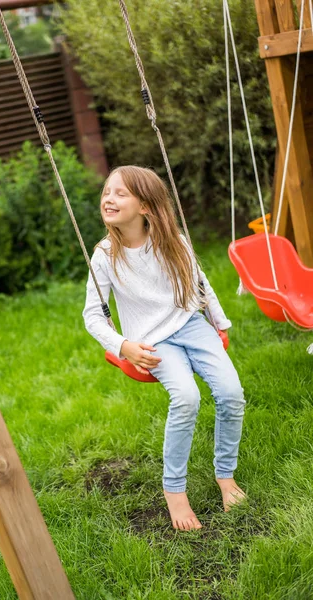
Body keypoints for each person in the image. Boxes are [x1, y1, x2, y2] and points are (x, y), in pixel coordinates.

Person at [82, 165, 247, 531]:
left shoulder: (174, 240)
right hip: (151, 341)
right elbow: (93, 316)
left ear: (145, 205)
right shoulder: (104, 256)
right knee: (186, 398)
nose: (109, 198)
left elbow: (200, 283)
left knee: (232, 394)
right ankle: (175, 491)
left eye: (120, 193)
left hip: (192, 325)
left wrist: (220, 324)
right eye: (107, 191)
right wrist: (124, 345)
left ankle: (226, 476)